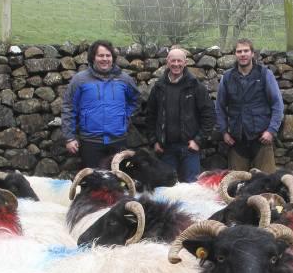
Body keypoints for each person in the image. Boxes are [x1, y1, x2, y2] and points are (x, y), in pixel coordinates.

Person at [61, 39, 141, 169]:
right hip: (91, 142)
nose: (105, 59)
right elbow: (68, 107)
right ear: (93, 57)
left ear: (113, 58)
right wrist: (69, 138)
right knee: (94, 182)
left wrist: (124, 116)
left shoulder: (124, 79)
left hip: (118, 140)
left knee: (119, 181)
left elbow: (136, 100)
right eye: (100, 55)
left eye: (108, 55)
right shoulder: (80, 79)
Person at [145, 47, 215, 183]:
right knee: (166, 188)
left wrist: (198, 141)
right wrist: (154, 141)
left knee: (192, 188)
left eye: (179, 61)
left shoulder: (195, 86)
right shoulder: (158, 87)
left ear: (185, 62)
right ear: (167, 62)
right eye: (173, 60)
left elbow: (209, 115)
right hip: (165, 150)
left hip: (190, 149)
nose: (176, 64)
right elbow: (150, 116)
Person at [214, 38, 284, 173]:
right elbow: (219, 107)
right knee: (236, 186)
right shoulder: (227, 77)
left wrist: (271, 130)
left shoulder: (264, 74)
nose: (242, 54)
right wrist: (224, 132)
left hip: (262, 140)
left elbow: (277, 104)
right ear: (235, 54)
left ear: (252, 53)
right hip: (237, 141)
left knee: (266, 184)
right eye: (239, 51)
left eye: (246, 51)